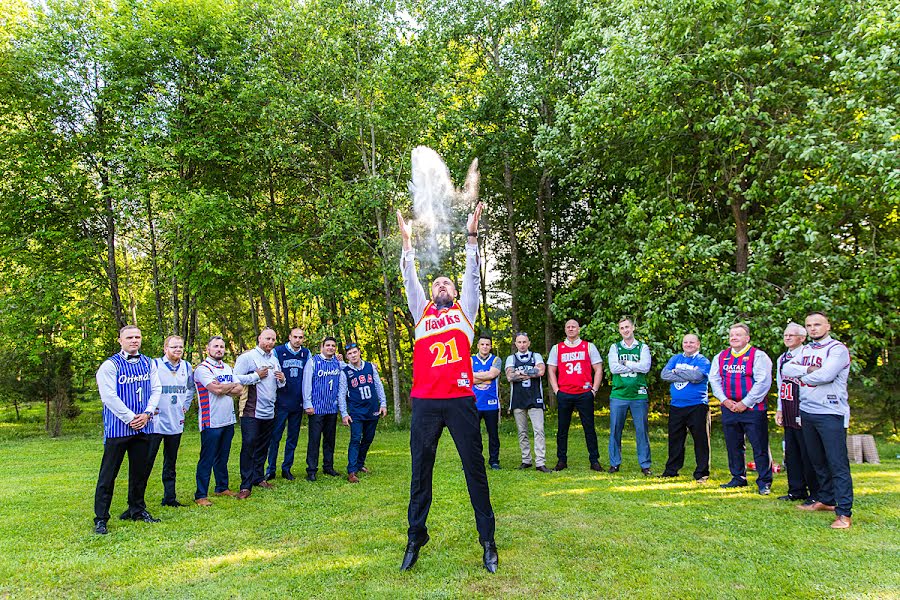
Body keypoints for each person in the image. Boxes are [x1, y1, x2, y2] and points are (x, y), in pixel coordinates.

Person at [396, 199, 498, 574]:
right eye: (436, 282)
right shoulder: (421, 311)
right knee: (420, 471)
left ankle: (487, 540)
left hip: (459, 401)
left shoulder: (464, 313)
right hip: (425, 402)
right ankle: (414, 536)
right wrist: (407, 246)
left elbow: (472, 276)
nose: (441, 284)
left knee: (475, 469)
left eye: (447, 283)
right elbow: (409, 279)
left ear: (454, 293)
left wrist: (472, 237)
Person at [782, 312, 853, 529]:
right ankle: (826, 500)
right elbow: (786, 369)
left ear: (828, 326)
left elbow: (826, 376)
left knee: (837, 463)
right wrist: (808, 370)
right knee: (817, 461)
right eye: (809, 325)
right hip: (807, 411)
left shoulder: (837, 349)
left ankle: (844, 513)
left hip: (831, 413)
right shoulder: (805, 349)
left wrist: (801, 375)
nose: (813, 329)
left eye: (817, 324)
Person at [93, 325, 162, 535]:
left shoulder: (149, 363)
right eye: (130, 337)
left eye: (137, 337)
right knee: (108, 475)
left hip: (143, 427)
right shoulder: (109, 366)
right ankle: (101, 518)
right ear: (120, 340)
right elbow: (109, 397)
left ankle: (137, 510)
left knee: (139, 473)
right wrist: (131, 418)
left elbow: (156, 389)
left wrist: (148, 413)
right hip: (118, 429)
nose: (134, 340)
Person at [709, 323, 774, 495]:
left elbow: (763, 382)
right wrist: (724, 400)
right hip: (729, 407)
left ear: (747, 338)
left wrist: (746, 402)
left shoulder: (758, 356)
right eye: (732, 334)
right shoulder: (721, 357)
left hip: (753, 408)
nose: (734, 337)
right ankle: (738, 477)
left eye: (738, 334)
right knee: (733, 445)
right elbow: (714, 380)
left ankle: (764, 481)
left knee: (759, 446)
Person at [193, 336, 246, 506]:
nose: (219, 349)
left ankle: (221, 487)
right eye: (215, 346)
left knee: (222, 456)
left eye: (222, 347)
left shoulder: (227, 367)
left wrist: (225, 387)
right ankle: (200, 494)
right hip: (211, 421)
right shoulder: (202, 369)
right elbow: (215, 389)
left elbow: (239, 390)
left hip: (228, 419)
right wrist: (228, 386)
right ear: (208, 349)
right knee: (207, 458)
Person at [233, 328, 286, 499]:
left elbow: (278, 385)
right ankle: (245, 485)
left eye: (273, 339)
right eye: (267, 338)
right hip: (251, 410)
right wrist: (255, 375)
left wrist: (282, 379)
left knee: (264, 446)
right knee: (249, 445)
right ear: (259, 338)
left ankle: (258, 477)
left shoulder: (274, 359)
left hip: (269, 410)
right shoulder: (247, 357)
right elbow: (235, 378)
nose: (270, 342)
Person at [547, 319, 604, 472]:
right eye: (568, 327)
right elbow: (551, 370)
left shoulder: (588, 346)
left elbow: (598, 368)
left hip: (584, 393)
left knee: (589, 428)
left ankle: (594, 460)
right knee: (562, 429)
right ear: (565, 330)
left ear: (579, 329)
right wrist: (556, 390)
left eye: (574, 327)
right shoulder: (557, 348)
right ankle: (561, 460)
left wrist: (594, 390)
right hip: (565, 393)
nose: (571, 329)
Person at [147, 335, 194, 508]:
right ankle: (138, 501)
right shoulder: (155, 365)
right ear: (165, 348)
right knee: (146, 462)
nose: (178, 350)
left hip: (176, 421)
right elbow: (145, 389)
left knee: (171, 462)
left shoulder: (187, 366)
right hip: (156, 422)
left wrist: (186, 405)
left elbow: (190, 388)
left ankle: (169, 498)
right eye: (174, 347)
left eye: (180, 347)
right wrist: (149, 409)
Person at [775, 322, 819, 503]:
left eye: (791, 335)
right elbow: (780, 385)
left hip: (804, 407)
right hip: (787, 407)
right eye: (785, 335)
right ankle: (796, 490)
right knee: (791, 452)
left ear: (802, 338)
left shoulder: (806, 356)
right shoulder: (781, 358)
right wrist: (779, 408)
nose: (787, 338)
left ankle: (815, 492)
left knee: (807, 452)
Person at [659, 334, 711, 482]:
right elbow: (664, 375)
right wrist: (687, 374)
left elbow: (697, 377)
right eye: (685, 342)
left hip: (697, 405)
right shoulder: (675, 359)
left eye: (692, 342)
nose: (688, 344)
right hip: (677, 405)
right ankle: (671, 470)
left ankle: (702, 473)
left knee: (700, 440)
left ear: (698, 344)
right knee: (675, 439)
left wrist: (676, 372)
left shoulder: (702, 360)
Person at [607, 317, 653, 475]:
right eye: (622, 328)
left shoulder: (642, 347)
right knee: (615, 430)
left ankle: (645, 465)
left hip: (638, 395)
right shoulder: (615, 347)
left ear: (633, 328)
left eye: (627, 327)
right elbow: (613, 368)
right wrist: (635, 366)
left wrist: (626, 363)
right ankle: (614, 463)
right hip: (619, 394)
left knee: (641, 431)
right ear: (619, 331)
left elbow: (645, 367)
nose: (625, 330)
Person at [339, 342, 388, 483]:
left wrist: (383, 404)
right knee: (355, 439)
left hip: (372, 409)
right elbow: (341, 394)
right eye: (349, 354)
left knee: (368, 438)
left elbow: (378, 386)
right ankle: (352, 470)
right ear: (346, 356)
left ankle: (360, 464)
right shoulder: (345, 372)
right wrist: (344, 413)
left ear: (359, 352)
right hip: (356, 411)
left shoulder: (370, 367)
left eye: (355, 352)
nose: (353, 355)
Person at [267, 327, 310, 481]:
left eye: (301, 337)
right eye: (295, 337)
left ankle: (287, 468)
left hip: (297, 402)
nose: (298, 340)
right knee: (275, 437)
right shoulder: (278, 351)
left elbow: (309, 376)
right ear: (289, 337)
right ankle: (270, 469)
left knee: (292, 437)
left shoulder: (306, 353)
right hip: (281, 401)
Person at [505, 332, 549, 472]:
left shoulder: (536, 356)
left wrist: (520, 373)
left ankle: (540, 462)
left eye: (525, 342)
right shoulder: (511, 358)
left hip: (535, 398)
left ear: (529, 343)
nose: (522, 345)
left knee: (539, 430)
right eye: (519, 342)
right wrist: (529, 372)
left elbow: (541, 371)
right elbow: (509, 376)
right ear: (515, 344)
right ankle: (526, 460)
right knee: (522, 431)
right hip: (518, 399)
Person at [303, 336, 345, 481]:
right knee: (314, 440)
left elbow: (352, 368)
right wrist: (307, 403)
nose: (330, 348)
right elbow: (307, 383)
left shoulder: (338, 363)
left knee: (330, 440)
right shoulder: (313, 361)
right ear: (322, 347)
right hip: (316, 408)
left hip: (331, 408)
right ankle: (311, 470)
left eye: (333, 345)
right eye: (328, 345)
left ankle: (328, 467)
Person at [472, 334, 503, 470]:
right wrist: (485, 377)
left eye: (487, 344)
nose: (485, 347)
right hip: (473, 404)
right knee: (473, 434)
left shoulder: (496, 359)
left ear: (491, 346)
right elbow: (467, 378)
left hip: (491, 404)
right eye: (482, 344)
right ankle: (474, 460)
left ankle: (494, 460)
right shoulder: (470, 360)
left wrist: (475, 376)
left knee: (493, 434)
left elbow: (492, 375)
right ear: (478, 346)